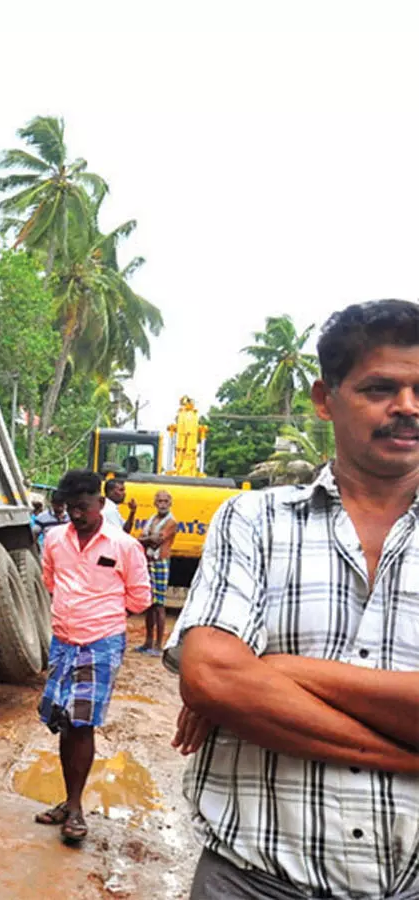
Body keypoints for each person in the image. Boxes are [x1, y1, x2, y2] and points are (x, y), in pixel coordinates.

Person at [168, 300, 419, 899]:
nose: (407, 407)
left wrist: (278, 671)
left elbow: (237, 679)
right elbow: (213, 680)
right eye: (381, 388)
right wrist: (407, 755)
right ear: (324, 398)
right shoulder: (255, 521)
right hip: (250, 883)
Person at [34, 469, 151, 845]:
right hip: (62, 642)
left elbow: (139, 599)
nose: (77, 515)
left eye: (83, 507)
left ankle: (75, 808)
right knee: (64, 721)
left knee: (82, 723)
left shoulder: (124, 546)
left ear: (101, 504)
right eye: (70, 509)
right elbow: (49, 580)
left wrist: (99, 616)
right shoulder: (54, 539)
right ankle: (69, 803)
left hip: (100, 643)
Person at [134, 490, 176, 656]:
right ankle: (148, 642)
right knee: (150, 605)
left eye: (165, 501)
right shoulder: (154, 520)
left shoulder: (171, 522)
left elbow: (157, 540)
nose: (163, 504)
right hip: (150, 561)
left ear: (170, 503)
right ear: (155, 503)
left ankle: (158, 645)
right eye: (160, 501)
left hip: (160, 563)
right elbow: (148, 539)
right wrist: (148, 539)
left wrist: (147, 539)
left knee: (158, 605)